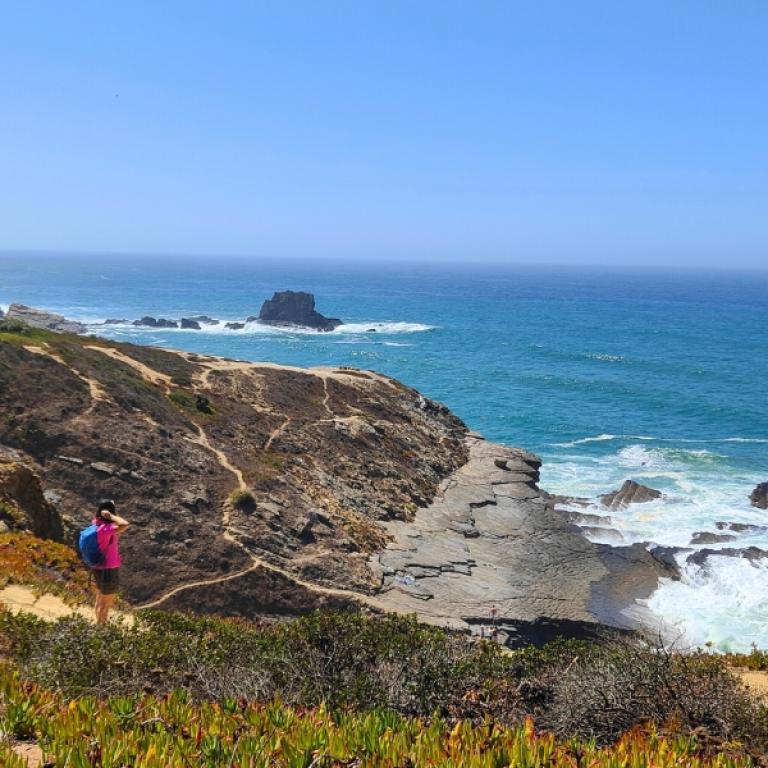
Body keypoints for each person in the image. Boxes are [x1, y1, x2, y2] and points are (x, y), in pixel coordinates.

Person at [90, 499, 129, 624]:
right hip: (108, 568)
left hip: (98, 566)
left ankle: (98, 622)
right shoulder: (105, 529)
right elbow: (125, 524)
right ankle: (101, 627)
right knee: (107, 601)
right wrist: (111, 516)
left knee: (100, 597)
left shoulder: (96, 524)